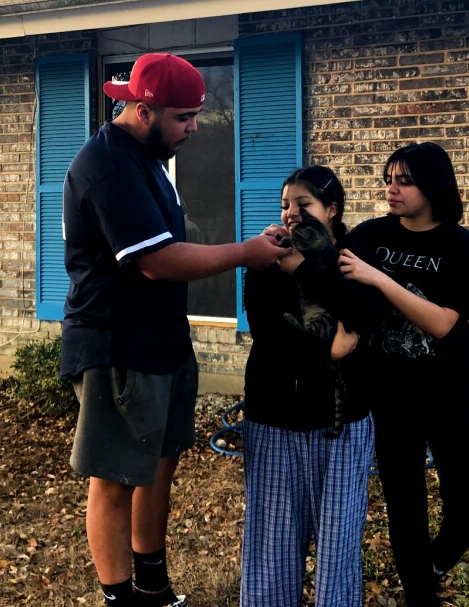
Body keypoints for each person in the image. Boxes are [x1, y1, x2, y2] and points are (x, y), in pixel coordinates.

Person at [59, 52, 289, 607]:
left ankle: (153, 582)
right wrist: (245, 254)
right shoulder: (109, 166)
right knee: (113, 477)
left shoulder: (147, 156)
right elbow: (156, 261)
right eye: (184, 118)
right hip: (117, 343)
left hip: (161, 338)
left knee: (160, 463)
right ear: (143, 110)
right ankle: (122, 598)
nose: (193, 128)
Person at [338, 142, 469, 607]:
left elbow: (443, 323)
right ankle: (419, 594)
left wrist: (378, 278)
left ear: (433, 186)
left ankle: (432, 567)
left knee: (467, 507)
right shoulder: (369, 235)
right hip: (389, 395)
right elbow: (323, 258)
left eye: (404, 181)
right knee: (406, 508)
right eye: (389, 179)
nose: (392, 189)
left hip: (448, 392)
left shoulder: (459, 247)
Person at [240, 165, 378, 607]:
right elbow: (269, 334)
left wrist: (303, 270)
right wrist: (329, 348)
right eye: (285, 205)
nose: (291, 213)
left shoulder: (356, 259)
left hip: (343, 425)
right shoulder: (264, 261)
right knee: (272, 550)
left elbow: (361, 320)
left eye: (304, 204)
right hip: (274, 417)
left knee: (338, 550)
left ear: (332, 210)